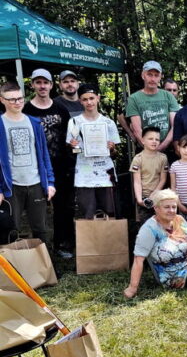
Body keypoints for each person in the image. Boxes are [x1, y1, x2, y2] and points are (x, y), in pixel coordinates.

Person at [123, 189, 187, 298]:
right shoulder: (148, 229)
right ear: (156, 208)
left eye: (174, 207)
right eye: (167, 207)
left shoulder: (179, 219)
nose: (171, 210)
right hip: (173, 275)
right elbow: (138, 260)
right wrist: (132, 288)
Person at [23, 68, 74, 258]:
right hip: (36, 167)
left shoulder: (61, 109)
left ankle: (62, 245)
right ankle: (40, 248)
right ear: (32, 85)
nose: (42, 86)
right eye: (38, 82)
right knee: (37, 209)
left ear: (52, 85)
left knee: (63, 207)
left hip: (60, 166)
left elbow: (70, 136)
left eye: (45, 82)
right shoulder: (26, 110)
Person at [0, 82, 55, 245]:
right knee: (11, 229)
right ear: (2, 100)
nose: (17, 102)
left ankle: (44, 261)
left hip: (36, 183)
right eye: (12, 99)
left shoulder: (34, 123)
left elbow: (44, 155)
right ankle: (12, 261)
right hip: (11, 186)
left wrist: (50, 182)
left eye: (20, 98)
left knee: (41, 229)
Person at [66, 84, 120, 219]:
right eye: (85, 99)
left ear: (98, 98)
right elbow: (74, 152)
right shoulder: (74, 122)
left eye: (91, 98)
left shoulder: (108, 123)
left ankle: (110, 234)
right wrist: (74, 147)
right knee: (88, 215)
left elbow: (115, 154)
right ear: (80, 101)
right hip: (84, 174)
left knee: (109, 214)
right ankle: (89, 234)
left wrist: (112, 148)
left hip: (105, 174)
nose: (89, 102)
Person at [126, 61, 180, 151]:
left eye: (156, 75)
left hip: (168, 148)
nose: (153, 79)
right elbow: (137, 130)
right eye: (149, 75)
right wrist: (150, 149)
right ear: (143, 75)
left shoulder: (168, 96)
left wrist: (162, 146)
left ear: (160, 77)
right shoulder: (134, 99)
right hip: (144, 149)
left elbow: (175, 125)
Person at [130, 127, 169, 224]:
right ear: (143, 140)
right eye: (150, 139)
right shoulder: (138, 159)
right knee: (144, 225)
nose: (154, 141)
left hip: (158, 197)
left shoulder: (163, 158)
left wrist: (154, 194)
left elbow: (163, 179)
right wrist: (139, 200)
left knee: (161, 224)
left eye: (157, 139)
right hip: (143, 198)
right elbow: (137, 182)